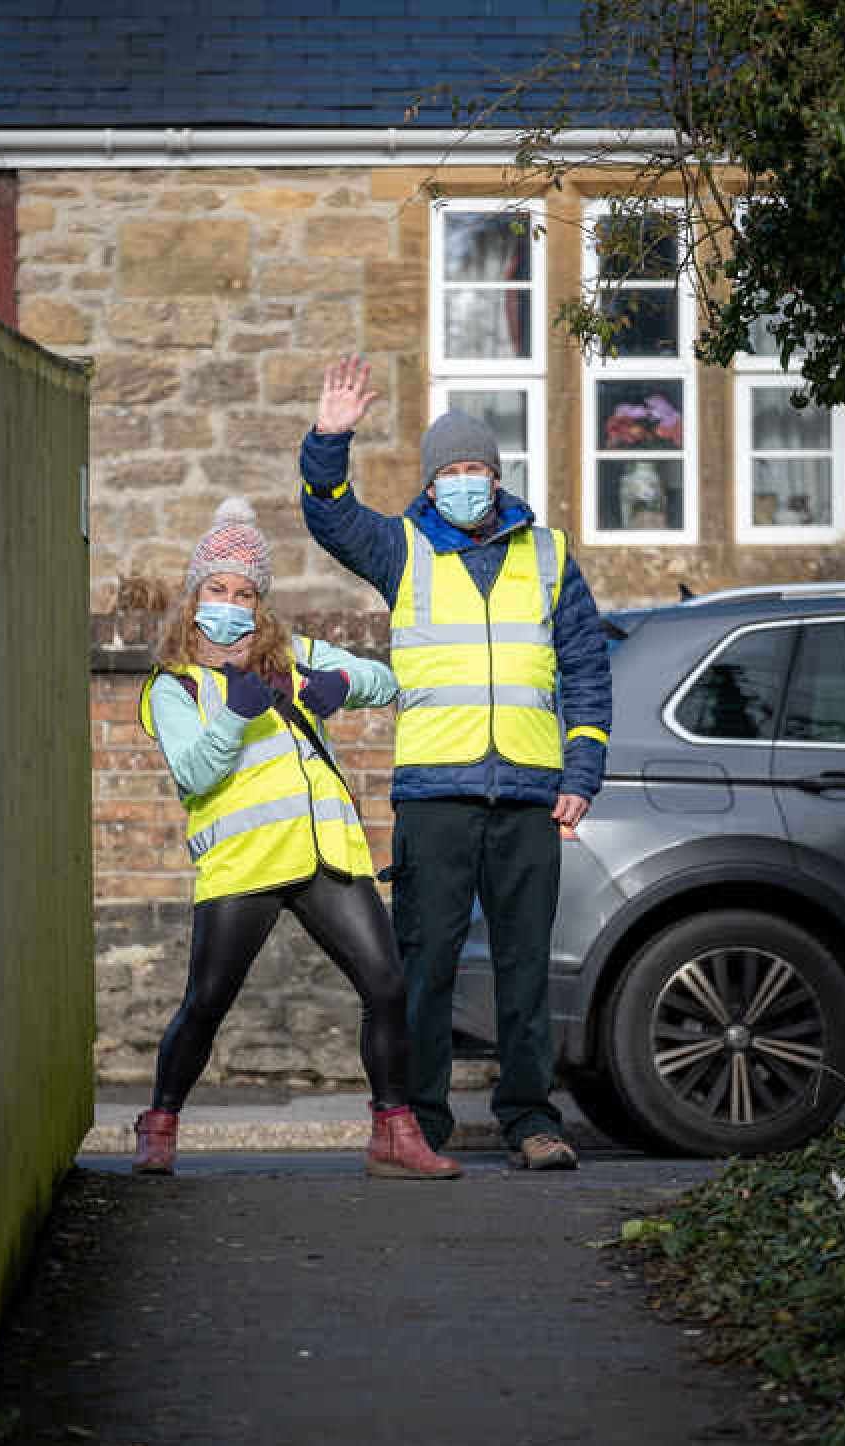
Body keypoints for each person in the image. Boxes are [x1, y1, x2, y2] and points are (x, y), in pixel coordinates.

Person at [299, 357, 613, 1170]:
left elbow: (584, 666)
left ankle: (532, 1120)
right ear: (432, 485)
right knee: (425, 965)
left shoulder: (546, 554)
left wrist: (581, 774)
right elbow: (330, 518)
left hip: (529, 795)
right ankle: (422, 1125)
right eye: (452, 472)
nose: (466, 482)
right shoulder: (401, 549)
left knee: (524, 970)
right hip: (436, 794)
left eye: (478, 469)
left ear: (498, 478)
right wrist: (329, 441)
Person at [132, 495, 462, 1180]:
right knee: (206, 1003)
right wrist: (233, 717)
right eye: (218, 588)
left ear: (261, 604)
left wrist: (341, 681)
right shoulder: (175, 686)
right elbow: (195, 772)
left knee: (387, 987)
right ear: (196, 594)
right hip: (244, 865)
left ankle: (393, 1134)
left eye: (245, 593)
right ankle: (160, 1120)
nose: (231, 602)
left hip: (325, 855)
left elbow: (385, 680)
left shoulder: (293, 654)